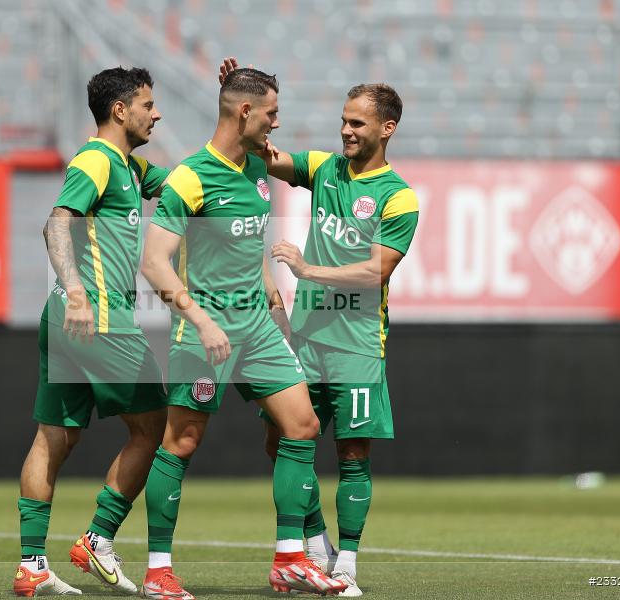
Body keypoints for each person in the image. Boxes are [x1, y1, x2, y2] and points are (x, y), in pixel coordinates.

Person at [139, 67, 348, 599]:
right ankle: (158, 571)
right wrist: (203, 320)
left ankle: (289, 560)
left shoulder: (257, 165)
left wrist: (270, 294)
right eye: (272, 113)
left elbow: (253, 239)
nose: (278, 123)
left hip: (257, 326)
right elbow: (155, 264)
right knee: (181, 441)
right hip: (204, 330)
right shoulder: (190, 177)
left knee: (301, 426)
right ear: (245, 113)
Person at [221, 56, 417, 597]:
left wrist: (309, 270)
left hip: (356, 343)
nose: (346, 130)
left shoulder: (398, 195)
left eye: (357, 123)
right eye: (344, 120)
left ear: (387, 128)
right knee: (281, 440)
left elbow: (378, 269)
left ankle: (347, 563)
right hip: (305, 340)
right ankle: (315, 544)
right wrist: (237, 104)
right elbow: (268, 154)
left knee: (353, 456)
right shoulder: (325, 168)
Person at [13, 66, 170, 597]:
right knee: (155, 427)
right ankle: (98, 538)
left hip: (63, 316)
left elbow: (181, 183)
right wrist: (79, 292)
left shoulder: (125, 164)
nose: (157, 113)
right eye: (148, 104)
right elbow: (56, 222)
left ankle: (32, 565)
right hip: (95, 314)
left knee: (55, 436)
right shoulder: (98, 160)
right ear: (120, 111)